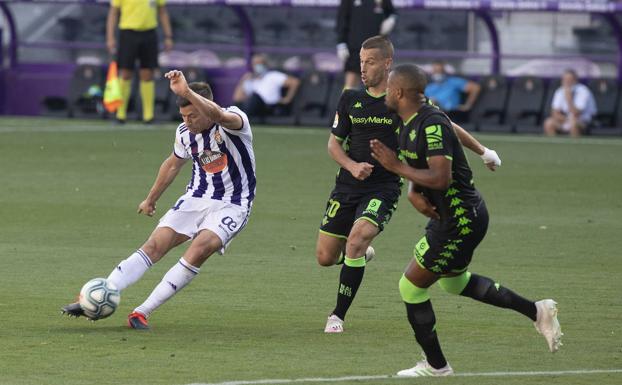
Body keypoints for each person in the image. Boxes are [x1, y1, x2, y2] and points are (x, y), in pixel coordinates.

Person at [369, 63, 562, 377]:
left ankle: (436, 366)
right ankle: (537, 311)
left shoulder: (429, 124)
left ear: (400, 93)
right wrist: (415, 189)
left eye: (389, 88)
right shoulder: (413, 115)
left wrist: (397, 168)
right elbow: (442, 139)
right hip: (456, 217)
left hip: (458, 222)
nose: (385, 93)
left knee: (410, 287)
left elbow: (441, 178)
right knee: (454, 282)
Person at [318, 36, 502, 334]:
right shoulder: (350, 98)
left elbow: (446, 125)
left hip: (385, 187)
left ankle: (337, 315)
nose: (363, 68)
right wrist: (352, 166)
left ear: (388, 63)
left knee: (356, 239)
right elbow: (333, 145)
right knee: (326, 257)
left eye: (370, 62)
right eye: (361, 62)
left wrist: (483, 152)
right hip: (348, 186)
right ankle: (360, 255)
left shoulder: (400, 97)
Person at [62, 70, 256, 330]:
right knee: (154, 245)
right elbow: (173, 164)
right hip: (196, 197)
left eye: (193, 115)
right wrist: (150, 199)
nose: (188, 122)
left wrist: (186, 91)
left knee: (200, 248)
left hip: (233, 203)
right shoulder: (185, 133)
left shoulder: (235, 121)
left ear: (206, 106)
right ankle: (97, 297)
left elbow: (218, 115)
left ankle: (141, 312)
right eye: (183, 116)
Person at [106, 0, 173, 123]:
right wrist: (110, 37)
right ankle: (120, 115)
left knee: (147, 74)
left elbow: (162, 12)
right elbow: (113, 13)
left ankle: (148, 116)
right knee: (125, 74)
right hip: (128, 33)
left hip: (149, 33)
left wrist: (168, 36)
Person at [336, 0, 398, 89]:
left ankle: (375, 102)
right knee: (352, 80)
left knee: (377, 81)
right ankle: (348, 102)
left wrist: (391, 20)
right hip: (355, 46)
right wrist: (341, 43)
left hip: (377, 48)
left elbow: (392, 12)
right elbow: (342, 19)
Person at [232, 54, 301, 119]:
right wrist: (243, 80)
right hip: (253, 107)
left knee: (255, 97)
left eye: (260, 63)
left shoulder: (273, 75)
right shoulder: (250, 80)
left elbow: (295, 82)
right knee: (239, 105)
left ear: (265, 64)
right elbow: (237, 99)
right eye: (255, 63)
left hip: (269, 107)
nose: (257, 65)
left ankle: (241, 119)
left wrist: (287, 99)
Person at [543, 69, 597, 137]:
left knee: (573, 124)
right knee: (549, 123)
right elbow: (554, 113)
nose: (566, 82)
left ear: (575, 80)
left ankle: (575, 147)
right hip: (566, 120)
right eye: (564, 79)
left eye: (569, 80)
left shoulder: (583, 91)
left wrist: (569, 98)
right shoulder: (559, 91)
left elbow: (576, 113)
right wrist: (566, 119)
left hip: (583, 122)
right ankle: (554, 146)